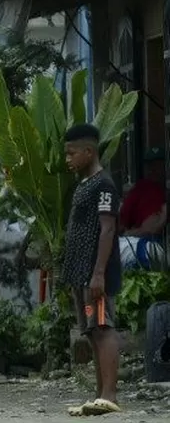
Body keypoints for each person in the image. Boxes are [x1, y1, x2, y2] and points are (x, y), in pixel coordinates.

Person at [63, 124, 123, 417]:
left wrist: (98, 273)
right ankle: (99, 397)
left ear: (89, 152)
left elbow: (108, 228)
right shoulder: (84, 184)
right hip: (80, 272)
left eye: (72, 153)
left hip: (95, 272)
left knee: (103, 328)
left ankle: (110, 394)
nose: (67, 159)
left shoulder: (104, 186)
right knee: (91, 331)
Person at [117, 147, 167, 270]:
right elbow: (121, 225)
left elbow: (155, 226)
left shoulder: (165, 192)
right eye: (151, 165)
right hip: (142, 244)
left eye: (158, 165)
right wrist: (131, 232)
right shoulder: (139, 190)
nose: (154, 169)